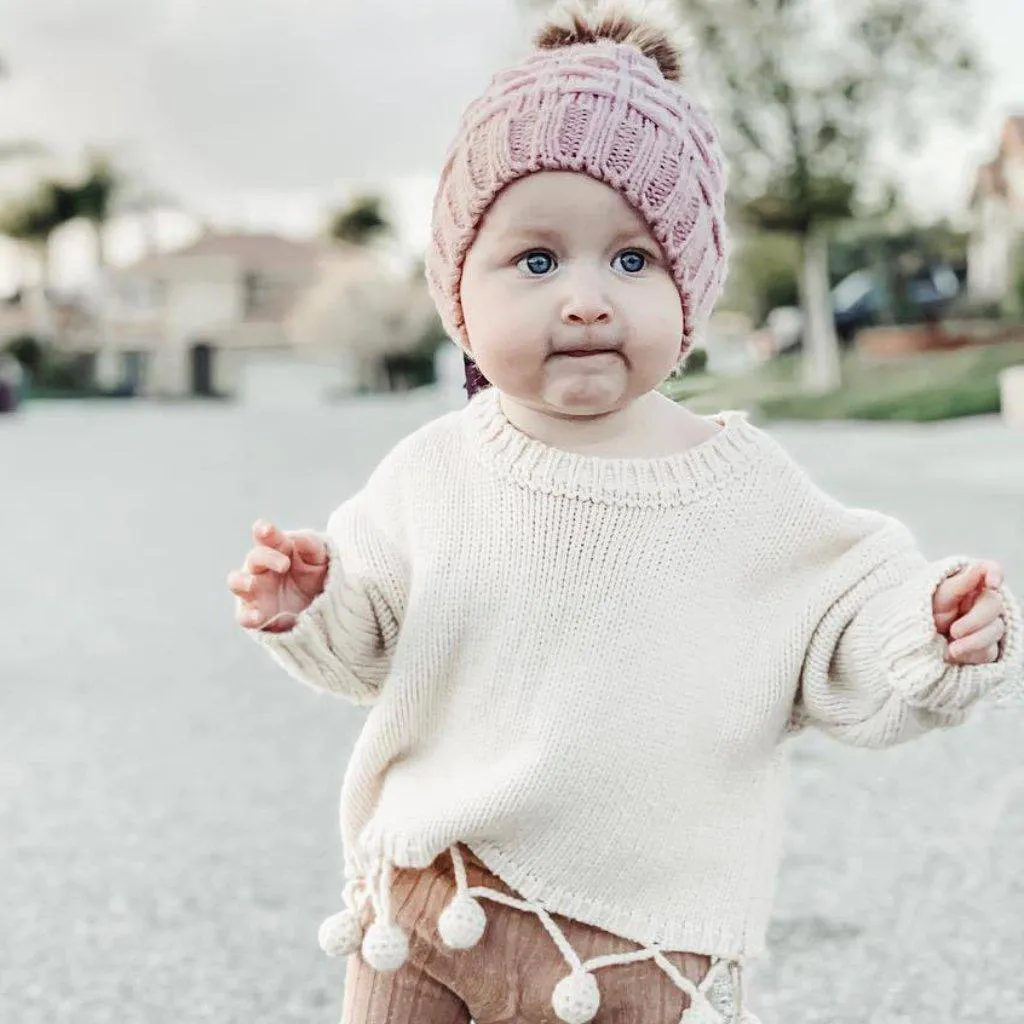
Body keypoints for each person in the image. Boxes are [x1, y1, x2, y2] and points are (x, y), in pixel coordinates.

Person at [227, 2, 1022, 1021]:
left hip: (627, 949)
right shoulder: (432, 470)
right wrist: (311, 596)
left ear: (688, 290)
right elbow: (370, 632)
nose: (588, 298)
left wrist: (929, 631)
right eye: (538, 260)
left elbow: (846, 622)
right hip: (426, 902)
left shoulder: (741, 489)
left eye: (634, 259)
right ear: (457, 293)